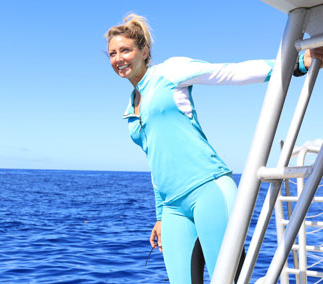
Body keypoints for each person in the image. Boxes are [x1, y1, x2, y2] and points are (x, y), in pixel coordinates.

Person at [104, 13, 323, 283]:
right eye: (112, 53)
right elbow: (156, 162)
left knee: (226, 279)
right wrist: (160, 215)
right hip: (173, 208)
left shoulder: (169, 72)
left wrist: (299, 62)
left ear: (144, 51)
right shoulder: (129, 108)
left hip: (209, 189)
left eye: (125, 50)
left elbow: (229, 72)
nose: (118, 59)